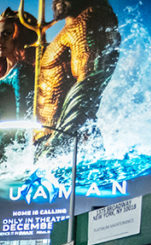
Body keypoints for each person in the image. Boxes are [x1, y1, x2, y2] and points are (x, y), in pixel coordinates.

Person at [35, 0, 120, 154]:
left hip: (68, 142)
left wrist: (56, 142)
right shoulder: (71, 27)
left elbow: (87, 84)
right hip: (55, 137)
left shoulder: (84, 24)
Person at [0, 8, 38, 166]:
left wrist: (20, 155)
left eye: (6, 34)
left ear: (19, 36)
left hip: (10, 159)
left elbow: (24, 118)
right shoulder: (9, 73)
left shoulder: (21, 72)